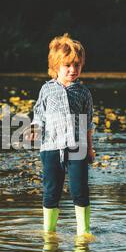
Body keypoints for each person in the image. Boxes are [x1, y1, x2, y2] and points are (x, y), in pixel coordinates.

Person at [27, 33, 95, 236]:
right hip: (51, 147)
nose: (73, 70)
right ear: (56, 66)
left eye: (77, 65)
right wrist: (34, 130)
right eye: (67, 65)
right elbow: (38, 114)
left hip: (77, 147)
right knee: (51, 191)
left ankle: (84, 232)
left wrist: (90, 148)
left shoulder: (83, 92)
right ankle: (49, 232)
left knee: (79, 190)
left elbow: (88, 123)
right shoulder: (46, 90)